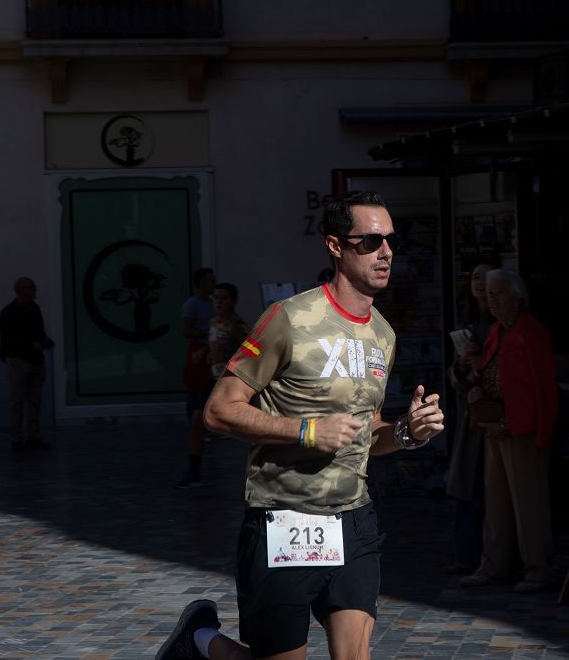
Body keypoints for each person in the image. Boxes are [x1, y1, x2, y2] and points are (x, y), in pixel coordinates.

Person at [156, 191, 446, 660]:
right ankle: (201, 641)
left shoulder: (383, 334)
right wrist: (306, 431)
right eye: (371, 240)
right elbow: (218, 410)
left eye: (391, 240)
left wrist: (407, 433)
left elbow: (367, 434)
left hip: (354, 519)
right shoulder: (288, 319)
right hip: (284, 521)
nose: (386, 252)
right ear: (336, 246)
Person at [460, 269, 559, 594]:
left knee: (528, 501)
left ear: (518, 297)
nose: (493, 299)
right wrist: (476, 386)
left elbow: (542, 388)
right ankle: (495, 565)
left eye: (499, 293)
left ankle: (537, 569)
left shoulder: (530, 332)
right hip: (496, 424)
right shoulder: (495, 332)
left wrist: (517, 424)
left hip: (521, 428)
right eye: (489, 293)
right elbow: (488, 370)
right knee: (497, 500)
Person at [443, 259, 500, 575]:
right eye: (476, 277)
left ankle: (481, 556)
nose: (479, 284)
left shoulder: (498, 324)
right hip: (472, 415)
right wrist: (463, 368)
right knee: (468, 486)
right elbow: (456, 376)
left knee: (486, 488)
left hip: (490, 413)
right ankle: (466, 554)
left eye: (486, 278)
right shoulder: (469, 321)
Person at [176, 281, 249, 489]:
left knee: (243, 427)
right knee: (197, 422)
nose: (218, 302)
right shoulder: (214, 322)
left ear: (233, 301)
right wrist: (206, 353)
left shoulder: (239, 325)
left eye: (223, 298)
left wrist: (226, 354)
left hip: (233, 380)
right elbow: (214, 345)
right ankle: (194, 470)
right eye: (215, 298)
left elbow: (252, 353)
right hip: (215, 378)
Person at [0, 277, 54, 453]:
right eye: (32, 287)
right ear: (21, 290)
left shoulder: (34, 309)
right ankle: (17, 440)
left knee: (34, 402)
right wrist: (31, 345)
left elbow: (40, 331)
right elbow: (8, 340)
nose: (35, 290)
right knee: (17, 402)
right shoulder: (8, 312)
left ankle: (33, 437)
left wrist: (45, 341)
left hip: (36, 360)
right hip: (19, 361)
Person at [177, 267, 217, 488]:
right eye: (211, 281)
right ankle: (199, 428)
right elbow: (185, 330)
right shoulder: (193, 304)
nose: (214, 285)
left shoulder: (216, 308)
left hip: (214, 359)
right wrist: (210, 335)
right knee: (196, 393)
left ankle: (207, 428)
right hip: (201, 353)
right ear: (201, 282)